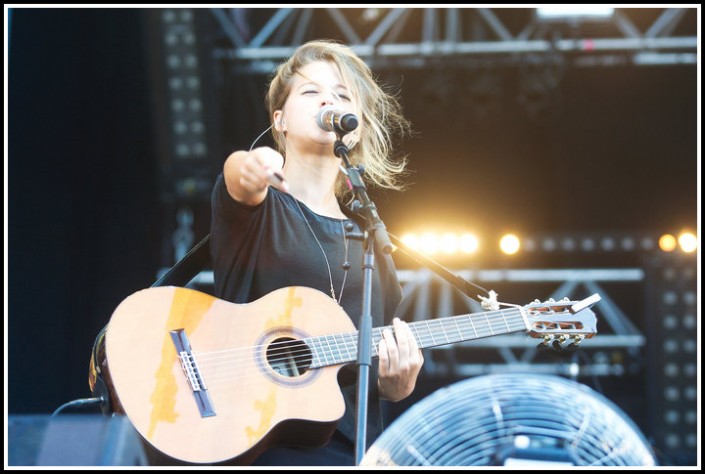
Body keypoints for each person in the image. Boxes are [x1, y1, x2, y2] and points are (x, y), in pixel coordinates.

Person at [209, 39, 424, 466]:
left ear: (356, 124)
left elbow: (375, 368)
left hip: (348, 452)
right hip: (256, 444)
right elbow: (238, 176)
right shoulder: (263, 208)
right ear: (280, 119)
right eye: (310, 92)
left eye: (343, 95)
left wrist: (394, 385)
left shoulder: (372, 240)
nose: (329, 99)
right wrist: (248, 163)